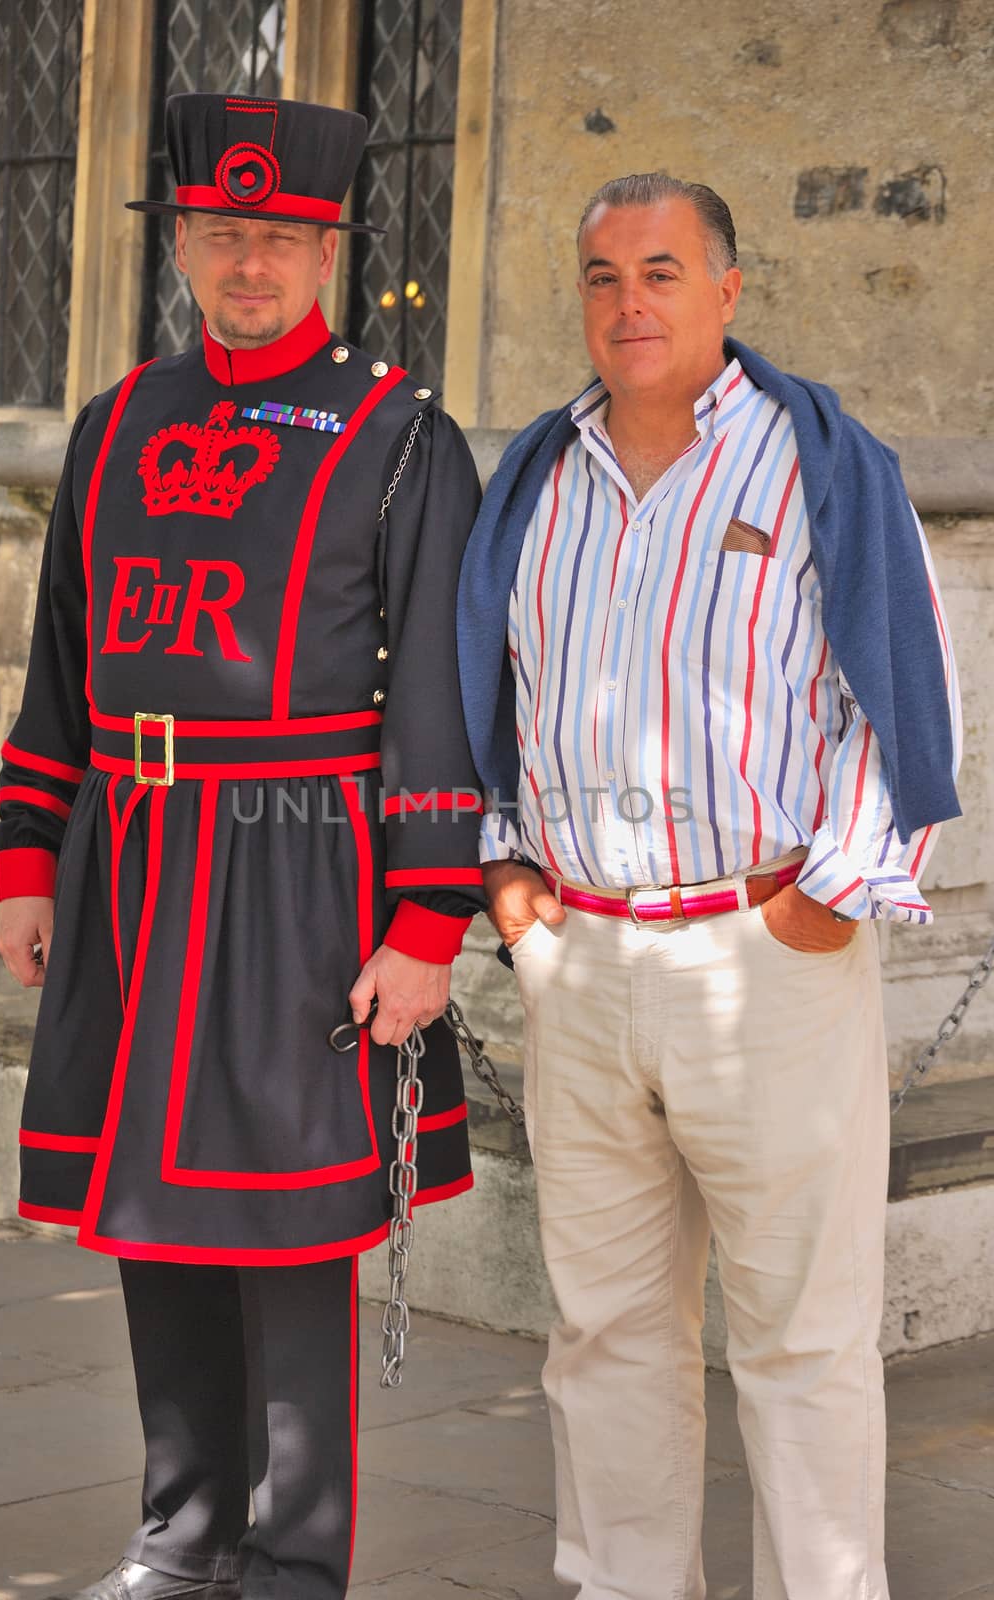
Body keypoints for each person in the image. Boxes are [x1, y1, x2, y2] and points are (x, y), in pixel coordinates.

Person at [0, 93, 484, 1600]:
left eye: (280, 234)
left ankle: (292, 1559)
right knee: (152, 1204)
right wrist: (27, 852)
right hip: (130, 855)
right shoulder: (119, 418)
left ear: (331, 244)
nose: (249, 261)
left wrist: (427, 924)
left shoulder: (400, 432)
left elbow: (444, 705)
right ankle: (183, 1536)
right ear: (186, 241)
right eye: (222, 230)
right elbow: (64, 654)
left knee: (282, 1222)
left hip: (301, 865)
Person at [457, 172, 961, 1600]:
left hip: (765, 957)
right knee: (606, 1332)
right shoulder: (541, 477)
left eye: (663, 273)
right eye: (604, 276)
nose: (631, 303)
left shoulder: (817, 465)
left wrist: (831, 896)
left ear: (727, 291)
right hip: (586, 966)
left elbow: (907, 689)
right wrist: (505, 870)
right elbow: (490, 683)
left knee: (803, 1338)